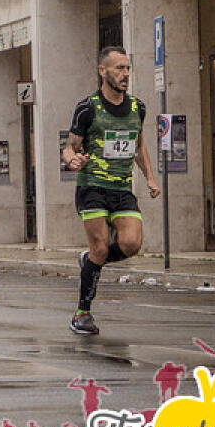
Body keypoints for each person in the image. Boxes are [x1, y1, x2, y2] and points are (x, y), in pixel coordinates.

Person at [62, 46, 160, 336]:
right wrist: (72, 160)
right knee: (102, 245)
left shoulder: (137, 108)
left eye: (128, 68)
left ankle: (91, 260)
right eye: (119, 68)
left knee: (131, 244)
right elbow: (70, 147)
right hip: (92, 187)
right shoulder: (88, 108)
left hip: (121, 188)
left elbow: (138, 145)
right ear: (103, 72)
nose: (125, 74)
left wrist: (150, 178)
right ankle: (82, 312)